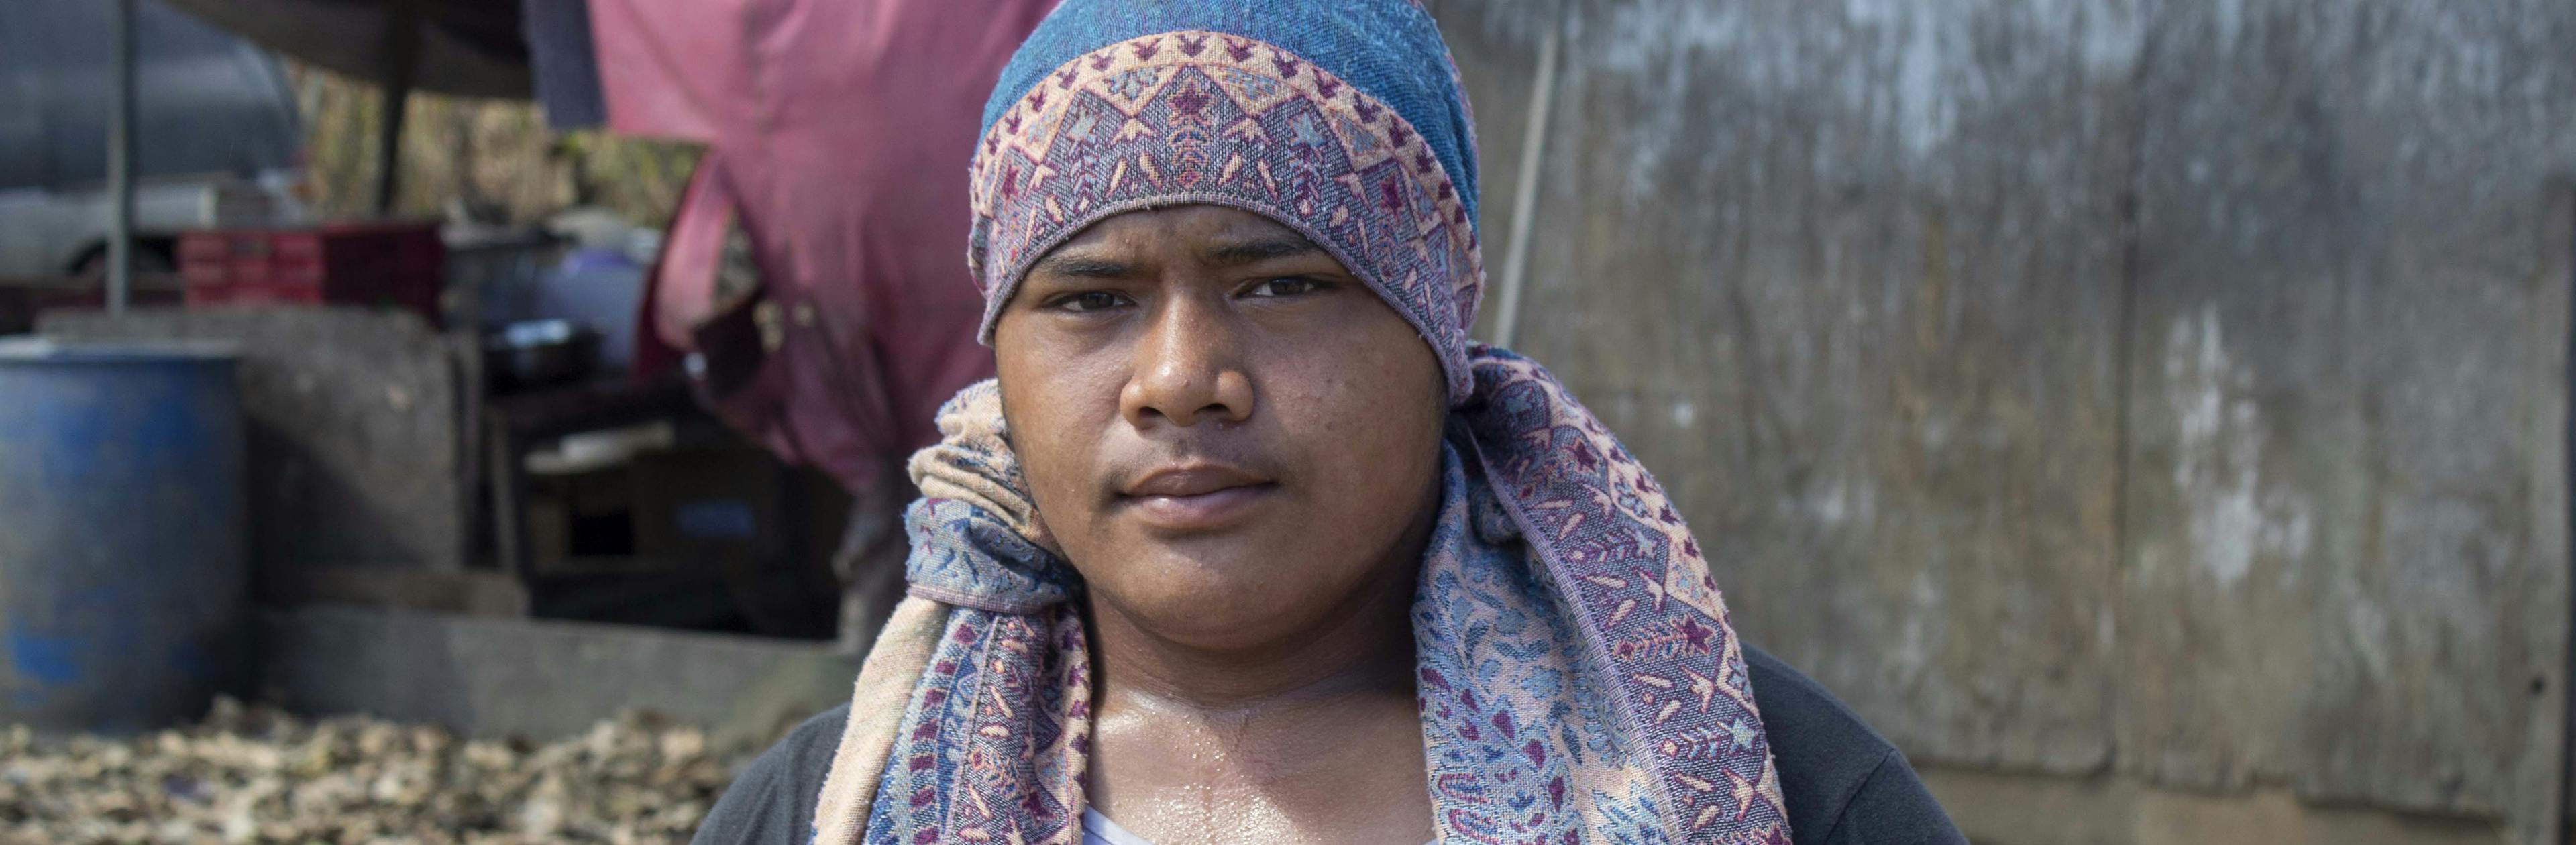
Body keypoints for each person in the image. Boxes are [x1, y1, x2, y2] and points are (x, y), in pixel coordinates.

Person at [692, 1, 1965, 842]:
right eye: (1090, 298)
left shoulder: (1759, 784)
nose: (1182, 378)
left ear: (1436, 335)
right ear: (1001, 371)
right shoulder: (831, 808)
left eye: (1284, 284)